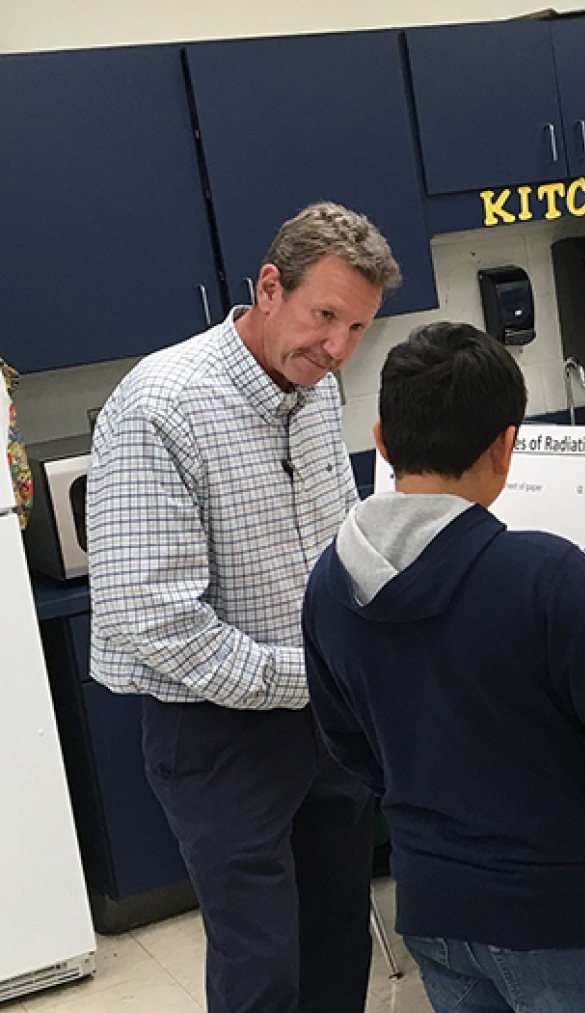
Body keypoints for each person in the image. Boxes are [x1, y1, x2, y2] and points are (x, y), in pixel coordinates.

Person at [302, 321, 585, 1013]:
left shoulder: (329, 583)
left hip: (432, 908)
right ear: (507, 445)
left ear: (382, 440)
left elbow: (349, 743)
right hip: (563, 907)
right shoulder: (548, 577)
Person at [86, 202, 402, 1013]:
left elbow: (336, 539)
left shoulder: (316, 389)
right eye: (324, 315)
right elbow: (159, 624)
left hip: (324, 720)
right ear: (269, 287)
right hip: (218, 735)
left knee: (338, 937)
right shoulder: (161, 405)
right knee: (261, 962)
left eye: (357, 328)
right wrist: (316, 673)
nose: (336, 348)